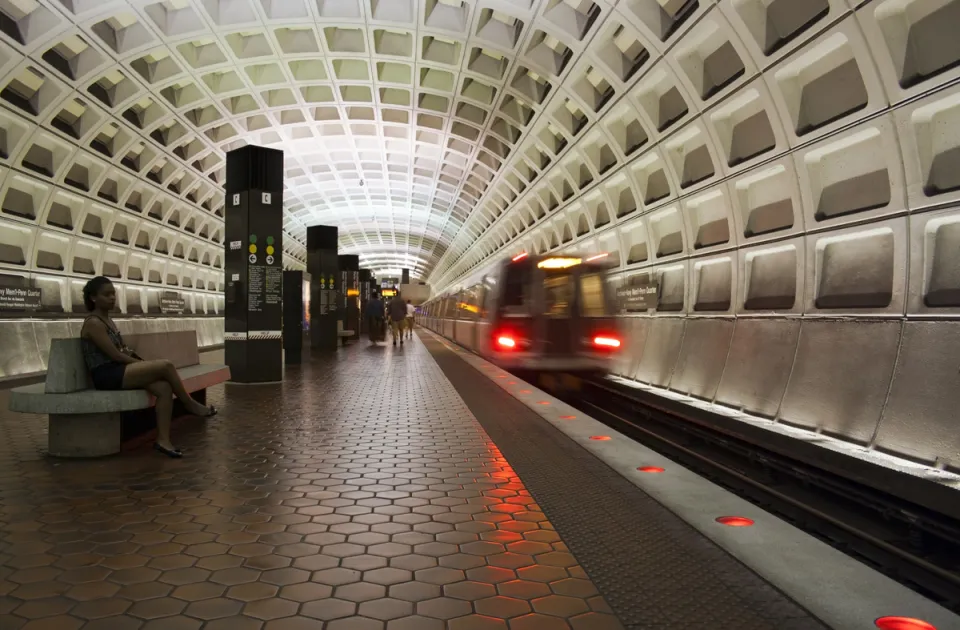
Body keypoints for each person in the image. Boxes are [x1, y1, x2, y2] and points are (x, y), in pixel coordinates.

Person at [79, 276, 216, 458]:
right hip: (107, 374)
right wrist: (144, 365)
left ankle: (163, 441)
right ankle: (188, 403)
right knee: (165, 366)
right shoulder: (93, 323)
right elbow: (115, 355)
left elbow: (122, 352)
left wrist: (141, 363)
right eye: (106, 295)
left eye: (113, 294)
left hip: (120, 370)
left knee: (164, 388)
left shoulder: (108, 321)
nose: (112, 298)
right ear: (93, 298)